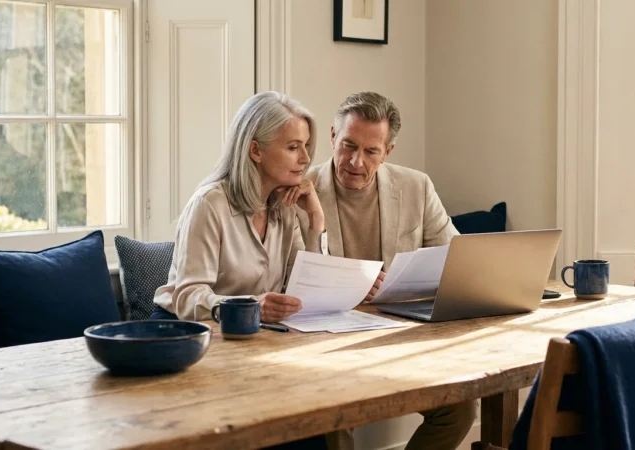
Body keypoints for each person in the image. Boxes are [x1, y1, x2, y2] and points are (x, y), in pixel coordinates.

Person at [299, 91, 476, 450]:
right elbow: (291, 274)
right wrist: (348, 288)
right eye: (348, 145)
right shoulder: (300, 191)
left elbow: (460, 259)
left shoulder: (416, 186)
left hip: (399, 335)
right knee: (332, 414)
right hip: (325, 341)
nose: (355, 161)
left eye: (370, 151)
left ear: (388, 152)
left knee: (461, 408)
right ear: (333, 136)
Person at [151, 91, 326, 325]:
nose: (305, 159)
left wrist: (316, 221)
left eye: (306, 146)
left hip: (252, 330)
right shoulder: (208, 204)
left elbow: (307, 289)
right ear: (255, 151)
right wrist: (252, 306)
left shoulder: (285, 207)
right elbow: (188, 298)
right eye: (293, 147)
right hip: (185, 330)